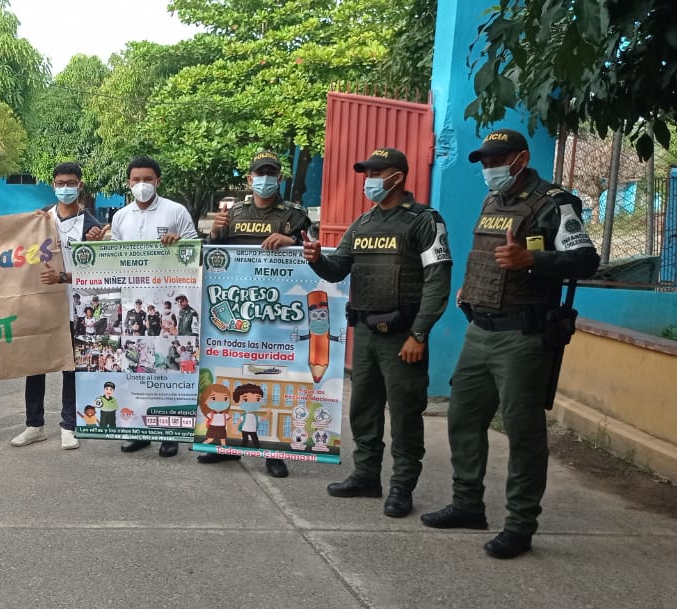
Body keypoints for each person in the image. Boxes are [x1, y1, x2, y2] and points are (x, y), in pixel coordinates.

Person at [421, 129, 601, 559]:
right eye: (484, 161)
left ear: (520, 159)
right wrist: (471, 284)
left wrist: (533, 260)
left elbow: (587, 260)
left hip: (523, 335)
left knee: (522, 433)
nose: (489, 168)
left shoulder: (555, 202)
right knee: (463, 419)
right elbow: (485, 254)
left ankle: (520, 525)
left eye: (497, 159)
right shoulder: (492, 202)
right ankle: (468, 505)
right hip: (479, 329)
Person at [302, 147, 451, 518]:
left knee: (404, 411)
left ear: (398, 176)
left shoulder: (424, 221)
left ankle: (402, 486)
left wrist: (420, 333)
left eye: (376, 172)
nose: (369, 180)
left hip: (403, 334)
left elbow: (438, 281)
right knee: (363, 409)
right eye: (366, 172)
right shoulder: (364, 223)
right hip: (366, 332)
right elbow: (338, 270)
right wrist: (318, 257)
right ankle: (366, 476)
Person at [203, 150, 313, 475]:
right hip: (236, 312)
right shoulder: (233, 213)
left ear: (279, 178)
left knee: (268, 377)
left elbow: (311, 256)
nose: (265, 179)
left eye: (272, 173)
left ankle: (274, 452)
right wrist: (214, 233)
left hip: (275, 314)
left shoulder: (296, 215)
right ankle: (228, 446)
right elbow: (213, 257)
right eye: (259, 173)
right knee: (233, 378)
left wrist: (291, 241)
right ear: (250, 179)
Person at [13, 161, 106, 451]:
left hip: (77, 308)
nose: (65, 188)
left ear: (80, 185)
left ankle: (69, 425)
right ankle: (34, 425)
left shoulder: (91, 226)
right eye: (60, 183)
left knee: (72, 368)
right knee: (36, 366)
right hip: (42, 306)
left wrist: (95, 247)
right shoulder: (39, 219)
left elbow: (98, 272)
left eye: (71, 183)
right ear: (53, 185)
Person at [110, 156, 200, 458]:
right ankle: (138, 430)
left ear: (158, 181)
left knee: (166, 369)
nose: (141, 185)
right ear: (128, 183)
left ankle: (169, 433)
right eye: (135, 180)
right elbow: (113, 257)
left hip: (165, 305)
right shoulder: (121, 217)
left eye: (147, 179)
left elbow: (194, 253)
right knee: (137, 369)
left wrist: (179, 243)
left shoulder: (176, 211)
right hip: (133, 304)